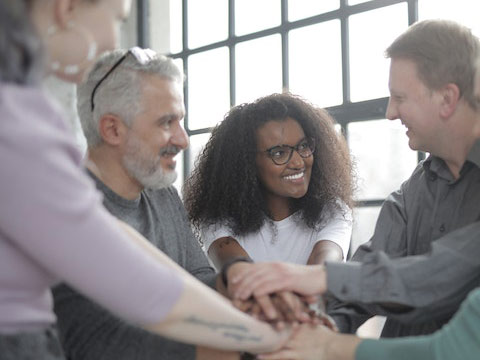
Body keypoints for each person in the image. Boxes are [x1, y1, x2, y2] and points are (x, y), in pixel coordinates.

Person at [236, 19, 480, 360]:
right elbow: (372, 271)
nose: (479, 125)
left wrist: (327, 335)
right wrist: (322, 321)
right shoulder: (425, 190)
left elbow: (455, 323)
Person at [0, 1, 288, 359]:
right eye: (118, 18)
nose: (112, 40)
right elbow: (140, 291)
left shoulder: (158, 195)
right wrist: (266, 341)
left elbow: (154, 267)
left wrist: (242, 285)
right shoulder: (18, 123)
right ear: (66, 8)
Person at [227, 20, 480, 348]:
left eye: (399, 97)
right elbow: (370, 270)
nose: (389, 112)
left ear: (447, 98)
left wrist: (315, 277)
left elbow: (442, 276)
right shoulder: (415, 188)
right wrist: (323, 324)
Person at [51, 48, 237, 360]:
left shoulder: (162, 194)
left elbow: (197, 281)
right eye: (167, 122)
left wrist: (243, 284)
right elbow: (99, 344)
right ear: (112, 129)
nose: (183, 139)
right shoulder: (61, 215)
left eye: (181, 121)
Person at [183, 93, 355, 321]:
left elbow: (323, 268)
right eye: (279, 153)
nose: (298, 162)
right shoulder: (218, 218)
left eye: (304, 146)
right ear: (245, 163)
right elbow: (238, 270)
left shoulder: (333, 211)